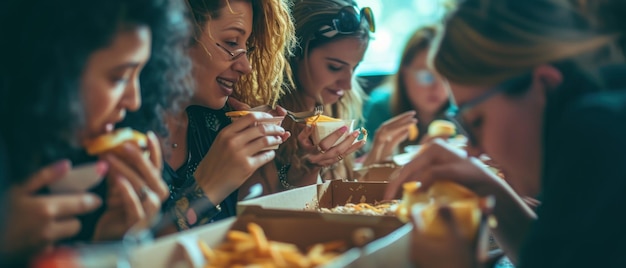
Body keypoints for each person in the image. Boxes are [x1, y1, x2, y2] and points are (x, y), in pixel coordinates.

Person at [384, 0, 626, 267]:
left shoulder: (600, 134)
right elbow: (558, 256)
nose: (474, 150)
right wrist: (486, 187)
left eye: (477, 122)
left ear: (543, 85)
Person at [0, 0, 189, 264]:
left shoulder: (81, 162)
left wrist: (108, 244)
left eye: (140, 74)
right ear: (56, 65)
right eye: (119, 77)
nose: (134, 100)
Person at [156, 0, 296, 233]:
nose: (246, 66)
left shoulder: (217, 126)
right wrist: (206, 188)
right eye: (232, 42)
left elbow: (259, 230)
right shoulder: (122, 133)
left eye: (247, 47)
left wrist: (264, 162)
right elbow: (131, 253)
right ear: (176, 35)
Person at [240, 0, 375, 197]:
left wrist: (378, 154)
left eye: (354, 68)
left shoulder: (337, 109)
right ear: (296, 52)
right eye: (335, 67)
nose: (347, 85)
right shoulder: (264, 121)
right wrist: (307, 169)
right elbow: (264, 212)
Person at [361, 25, 451, 166]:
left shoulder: (460, 115)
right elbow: (365, 170)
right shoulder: (379, 108)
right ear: (404, 73)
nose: (438, 88)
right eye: (426, 76)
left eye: (446, 76)